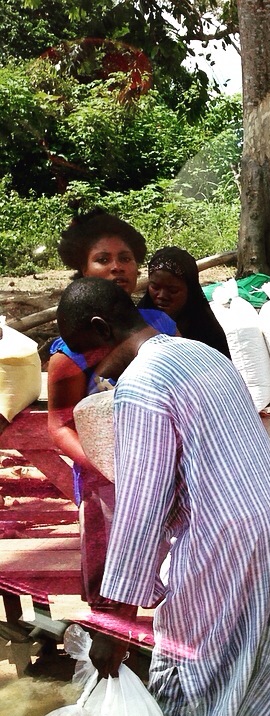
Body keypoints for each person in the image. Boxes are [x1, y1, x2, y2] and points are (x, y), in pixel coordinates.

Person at [56, 277, 270, 716]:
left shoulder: (141, 387)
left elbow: (142, 502)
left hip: (223, 541)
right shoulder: (201, 354)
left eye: (86, 352)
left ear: (102, 331)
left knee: (183, 681)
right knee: (251, 682)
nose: (90, 369)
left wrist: (117, 621)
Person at [48, 210, 176, 605]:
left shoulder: (162, 326)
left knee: (176, 574)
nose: (117, 267)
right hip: (107, 483)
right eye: (103, 259)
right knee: (114, 586)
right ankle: (113, 651)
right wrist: (107, 467)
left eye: (126, 258)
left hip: (166, 472)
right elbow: (59, 425)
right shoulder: (73, 350)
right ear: (82, 270)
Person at [138, 246, 231, 358]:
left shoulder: (207, 333)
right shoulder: (137, 323)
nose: (162, 296)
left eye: (173, 290)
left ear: (190, 290)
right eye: (155, 287)